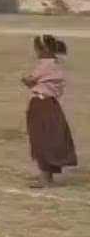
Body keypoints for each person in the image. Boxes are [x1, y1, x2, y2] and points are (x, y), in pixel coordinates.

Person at [22, 35, 77, 187]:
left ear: (45, 50)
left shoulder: (46, 64)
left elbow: (30, 80)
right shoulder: (56, 64)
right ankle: (47, 177)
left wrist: (25, 80)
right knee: (49, 138)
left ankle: (45, 179)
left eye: (38, 49)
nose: (37, 53)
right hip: (50, 104)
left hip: (41, 103)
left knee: (42, 139)